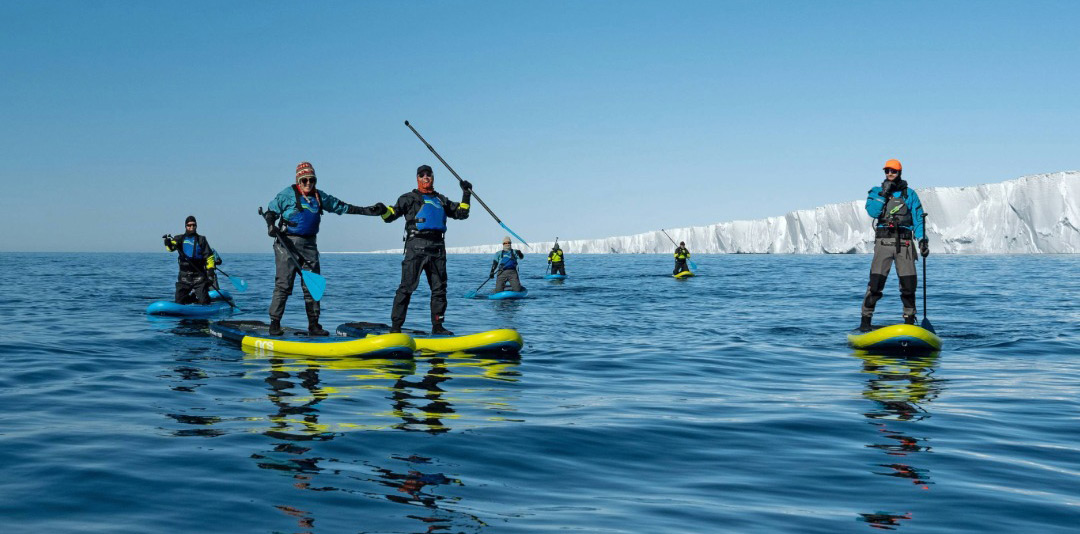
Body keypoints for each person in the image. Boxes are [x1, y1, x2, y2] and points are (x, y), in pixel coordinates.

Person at [262, 162, 386, 336]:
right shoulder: (287, 194)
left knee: (313, 286)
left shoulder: (320, 197)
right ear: (298, 180)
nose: (308, 184)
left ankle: (314, 325)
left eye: (312, 180)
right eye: (304, 180)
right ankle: (275, 323)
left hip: (310, 246)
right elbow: (270, 212)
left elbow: (341, 206)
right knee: (284, 285)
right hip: (287, 244)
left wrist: (368, 211)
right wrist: (270, 225)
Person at [381, 164, 471, 335]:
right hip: (416, 248)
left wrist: (466, 194)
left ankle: (438, 326)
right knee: (406, 288)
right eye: (422, 175)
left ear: (433, 177)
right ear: (417, 179)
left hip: (437, 249)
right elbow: (390, 216)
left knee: (439, 289)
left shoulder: (441, 200)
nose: (426, 177)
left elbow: (462, 213)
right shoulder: (408, 198)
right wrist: (382, 210)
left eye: (428, 174)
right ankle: (396, 328)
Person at [859, 159, 929, 332]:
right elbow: (873, 212)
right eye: (887, 171)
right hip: (883, 242)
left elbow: (918, 219)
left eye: (894, 171)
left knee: (908, 284)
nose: (890, 174)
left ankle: (910, 321)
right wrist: (883, 195)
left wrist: (922, 240)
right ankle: (865, 322)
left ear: (900, 173)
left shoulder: (909, 194)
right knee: (875, 284)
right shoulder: (876, 191)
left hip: (904, 243)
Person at [163, 215, 222, 304]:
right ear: (185, 226)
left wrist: (210, 273)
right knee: (179, 301)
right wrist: (168, 243)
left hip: (199, 276)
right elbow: (171, 248)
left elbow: (209, 257)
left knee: (204, 301)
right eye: (189, 225)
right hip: (184, 277)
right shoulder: (179, 238)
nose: (191, 227)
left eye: (194, 225)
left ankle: (202, 300)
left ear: (196, 226)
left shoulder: (201, 239)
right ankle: (193, 298)